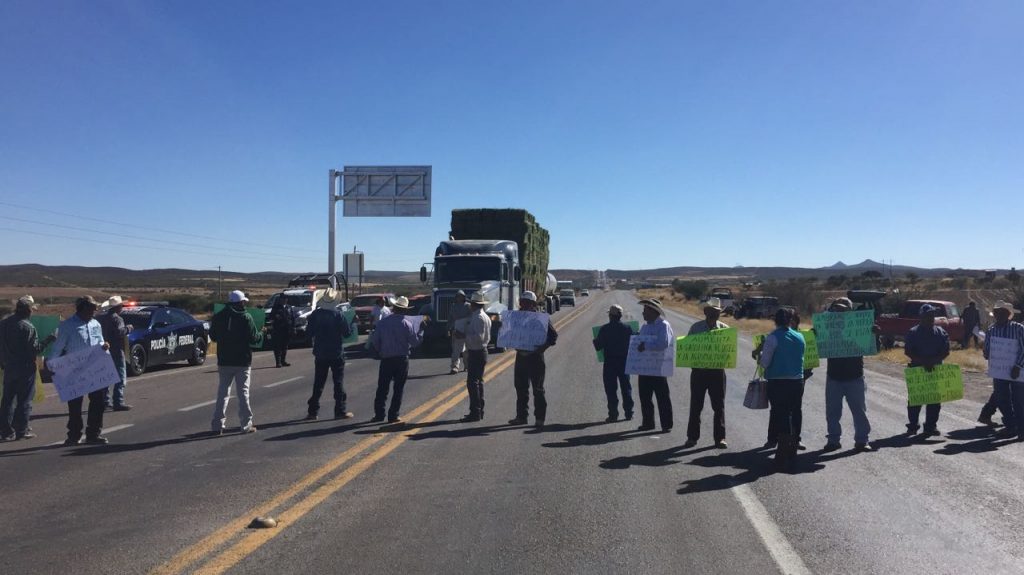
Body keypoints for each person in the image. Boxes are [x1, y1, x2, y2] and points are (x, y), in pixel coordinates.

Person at [48, 296, 111, 445]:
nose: (94, 311)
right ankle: (74, 435)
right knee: (75, 405)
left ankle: (93, 434)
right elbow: (57, 347)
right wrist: (52, 366)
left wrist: (104, 347)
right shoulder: (67, 326)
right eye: (91, 308)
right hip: (74, 370)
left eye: (95, 308)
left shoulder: (96, 324)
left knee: (98, 402)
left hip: (96, 368)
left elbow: (100, 341)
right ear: (82, 308)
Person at [822, 297, 875, 453]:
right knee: (832, 412)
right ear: (833, 310)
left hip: (855, 375)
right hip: (834, 376)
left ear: (850, 311)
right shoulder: (826, 326)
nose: (840, 312)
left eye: (844, 309)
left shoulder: (860, 326)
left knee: (859, 411)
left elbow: (871, 348)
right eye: (837, 309)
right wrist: (815, 335)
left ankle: (862, 440)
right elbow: (817, 347)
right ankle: (833, 440)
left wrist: (873, 335)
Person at [0, 296, 55, 440]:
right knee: (24, 400)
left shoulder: (3, 324)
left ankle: (5, 431)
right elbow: (35, 349)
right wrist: (49, 339)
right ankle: (21, 430)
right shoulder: (28, 327)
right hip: (25, 368)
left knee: (7, 400)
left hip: (9, 367)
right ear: (28, 310)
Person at [209, 290, 261, 434]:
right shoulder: (246, 317)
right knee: (243, 393)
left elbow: (213, 336)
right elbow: (254, 338)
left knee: (223, 393)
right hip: (242, 361)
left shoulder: (219, 316)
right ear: (241, 302)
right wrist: (261, 333)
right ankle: (246, 425)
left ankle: (217, 425)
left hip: (224, 360)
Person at [759, 308, 806, 464]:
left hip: (778, 382)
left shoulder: (772, 338)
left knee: (781, 413)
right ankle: (793, 445)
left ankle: (783, 450)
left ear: (775, 320)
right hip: (797, 381)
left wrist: (759, 354)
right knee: (794, 411)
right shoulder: (800, 337)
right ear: (790, 320)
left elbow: (765, 363)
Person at [367, 296, 424, 424]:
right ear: (405, 310)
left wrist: (381, 351)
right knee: (398, 388)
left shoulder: (383, 323)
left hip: (386, 359)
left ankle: (379, 414)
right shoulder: (407, 324)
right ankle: (393, 415)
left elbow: (375, 341)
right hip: (401, 359)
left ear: (394, 308)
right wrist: (421, 331)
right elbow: (414, 343)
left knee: (382, 388)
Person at [508, 291, 558, 428]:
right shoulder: (516, 318)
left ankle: (540, 419)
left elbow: (553, 336)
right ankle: (521, 417)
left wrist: (541, 349)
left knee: (538, 389)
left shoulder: (541, 318)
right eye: (522, 302)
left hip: (536, 358)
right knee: (521, 388)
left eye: (526, 303)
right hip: (521, 357)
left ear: (533, 304)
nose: (523, 305)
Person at [683, 297, 728, 449]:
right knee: (696, 406)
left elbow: (728, 353)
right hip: (699, 372)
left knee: (719, 406)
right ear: (705, 311)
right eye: (712, 311)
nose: (715, 314)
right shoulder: (695, 328)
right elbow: (687, 349)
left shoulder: (725, 330)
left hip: (717, 373)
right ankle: (692, 437)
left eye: (718, 311)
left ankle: (720, 438)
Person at [303, 290, 353, 421]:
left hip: (320, 352)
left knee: (318, 383)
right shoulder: (338, 315)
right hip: (336, 352)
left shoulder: (315, 315)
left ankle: (313, 412)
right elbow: (347, 333)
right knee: (338, 382)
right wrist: (352, 324)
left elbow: (308, 333)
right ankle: (340, 410)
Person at [904, 303, 950, 437]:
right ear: (921, 317)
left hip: (935, 370)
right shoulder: (913, 332)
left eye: (932, 315)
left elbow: (946, 351)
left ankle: (930, 426)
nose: (931, 318)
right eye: (928, 315)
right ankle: (913, 426)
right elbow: (908, 351)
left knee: (934, 400)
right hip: (918, 370)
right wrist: (923, 362)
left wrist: (933, 361)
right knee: (915, 400)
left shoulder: (941, 332)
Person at [983, 300, 1024, 440]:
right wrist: (987, 353)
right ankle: (1011, 426)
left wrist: (1018, 366)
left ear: (1008, 314)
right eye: (996, 312)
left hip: (1018, 372)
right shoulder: (991, 330)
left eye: (1002, 312)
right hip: (999, 372)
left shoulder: (1019, 329)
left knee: (1018, 400)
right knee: (1001, 399)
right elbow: (987, 349)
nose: (998, 315)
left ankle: (1022, 430)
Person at [635, 298, 674, 433]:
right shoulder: (645, 327)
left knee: (662, 397)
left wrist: (645, 345)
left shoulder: (663, 325)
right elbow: (640, 343)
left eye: (645, 310)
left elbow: (663, 343)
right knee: (645, 397)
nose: (643, 313)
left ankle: (666, 424)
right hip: (645, 368)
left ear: (653, 311)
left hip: (658, 368)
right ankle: (648, 423)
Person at [592, 304, 635, 422]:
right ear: (620, 316)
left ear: (610, 316)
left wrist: (595, 340)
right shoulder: (627, 328)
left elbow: (598, 346)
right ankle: (629, 413)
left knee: (611, 390)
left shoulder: (605, 329)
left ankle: (613, 414)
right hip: (624, 362)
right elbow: (634, 344)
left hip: (610, 363)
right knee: (626, 388)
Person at [461, 292, 492, 422]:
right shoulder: (483, 316)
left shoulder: (478, 318)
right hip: (480, 351)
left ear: (474, 304)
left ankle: (475, 412)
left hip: (477, 351)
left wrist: (463, 336)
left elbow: (478, 338)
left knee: (473, 383)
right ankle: (479, 410)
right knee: (478, 382)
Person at [99, 295, 132, 411]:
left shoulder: (101, 318)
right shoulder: (118, 319)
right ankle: (118, 401)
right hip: (117, 350)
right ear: (118, 307)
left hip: (104, 350)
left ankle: (105, 401)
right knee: (120, 376)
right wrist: (128, 328)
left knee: (106, 376)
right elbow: (119, 332)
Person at [449, 290, 471, 374]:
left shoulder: (468, 306)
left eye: (461, 296)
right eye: (458, 296)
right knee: (456, 350)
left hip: (466, 329)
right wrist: (448, 328)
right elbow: (451, 318)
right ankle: (455, 366)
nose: (459, 298)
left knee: (467, 349)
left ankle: (467, 365)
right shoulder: (453, 306)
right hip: (457, 329)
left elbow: (471, 317)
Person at [269, 297, 294, 367]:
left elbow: (292, 318)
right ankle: (278, 362)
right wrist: (275, 317)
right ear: (280, 300)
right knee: (278, 346)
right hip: (278, 330)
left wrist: (293, 328)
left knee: (285, 346)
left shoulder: (289, 307)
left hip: (287, 330)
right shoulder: (276, 308)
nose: (284, 300)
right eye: (283, 299)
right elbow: (271, 317)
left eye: (285, 299)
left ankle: (283, 361)